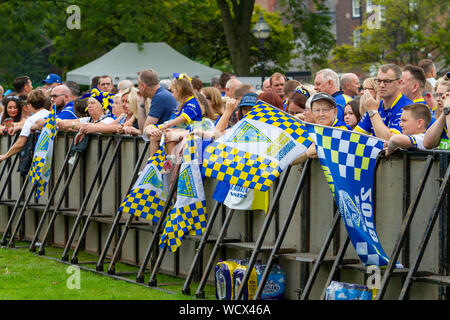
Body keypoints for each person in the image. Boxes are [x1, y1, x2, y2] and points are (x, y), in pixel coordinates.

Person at [144, 73, 204, 160]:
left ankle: (169, 161)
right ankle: (153, 162)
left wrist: (166, 126)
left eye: (172, 91)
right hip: (181, 132)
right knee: (154, 135)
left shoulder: (192, 103)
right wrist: (155, 129)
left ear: (179, 90)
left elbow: (182, 118)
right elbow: (172, 120)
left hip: (192, 134)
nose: (171, 95)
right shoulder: (179, 105)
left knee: (169, 133)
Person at [355, 64, 413, 140]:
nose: (381, 85)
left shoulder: (407, 107)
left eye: (387, 81)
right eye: (379, 81)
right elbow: (355, 136)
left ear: (399, 83)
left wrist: (373, 111)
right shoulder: (375, 105)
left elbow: (390, 141)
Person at [0, 89, 50, 163]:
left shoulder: (30, 120)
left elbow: (20, 143)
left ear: (29, 105)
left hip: (40, 158)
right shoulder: (51, 115)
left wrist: (5, 156)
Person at [423, 79, 450, 150]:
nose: (438, 99)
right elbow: (427, 143)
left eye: (442, 95)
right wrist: (445, 112)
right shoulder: (441, 118)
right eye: (436, 95)